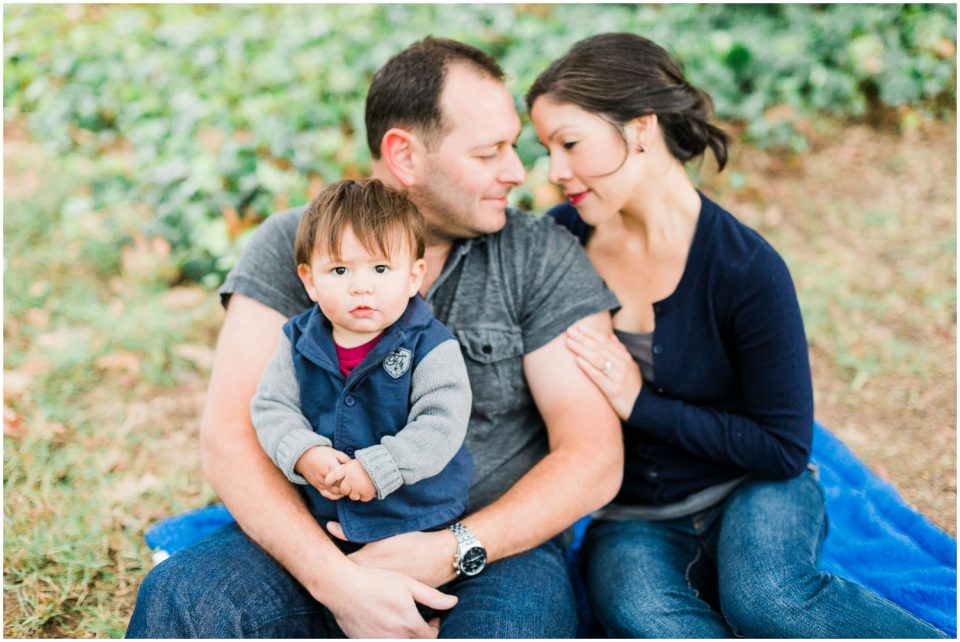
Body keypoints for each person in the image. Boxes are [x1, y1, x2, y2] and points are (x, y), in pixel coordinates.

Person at [126, 37, 623, 638]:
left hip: (487, 548)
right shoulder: (297, 245)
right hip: (318, 534)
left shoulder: (539, 256)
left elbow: (592, 455)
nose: (518, 173)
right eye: (490, 153)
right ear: (404, 155)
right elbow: (231, 434)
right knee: (185, 600)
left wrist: (452, 549)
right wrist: (339, 585)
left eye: (512, 148)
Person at [527, 32, 946, 638]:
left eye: (568, 143)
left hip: (754, 487)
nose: (554, 171)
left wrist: (637, 404)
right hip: (634, 516)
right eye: (546, 149)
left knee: (767, 599)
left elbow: (783, 448)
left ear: (641, 128)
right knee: (647, 618)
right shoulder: (560, 239)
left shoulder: (746, 269)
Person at [251, 178, 473, 544]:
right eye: (340, 270)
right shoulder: (297, 340)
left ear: (413, 276)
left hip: (418, 520)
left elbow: (440, 423)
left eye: (381, 269)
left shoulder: (431, 347)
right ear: (309, 280)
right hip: (322, 519)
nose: (361, 286)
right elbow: (273, 406)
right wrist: (305, 452)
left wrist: (380, 467)